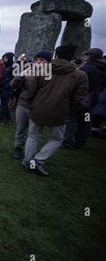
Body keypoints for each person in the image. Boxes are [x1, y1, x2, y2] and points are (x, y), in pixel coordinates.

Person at [23, 43, 88, 176]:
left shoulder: (43, 69)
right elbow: (78, 98)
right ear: (72, 57)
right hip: (60, 111)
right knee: (57, 139)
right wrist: (70, 110)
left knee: (33, 135)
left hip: (38, 108)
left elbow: (32, 90)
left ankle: (28, 160)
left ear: (56, 55)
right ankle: (39, 160)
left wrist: (32, 104)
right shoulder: (80, 75)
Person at [11, 50, 53, 160]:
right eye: (37, 60)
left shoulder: (50, 75)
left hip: (37, 107)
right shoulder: (27, 71)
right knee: (20, 129)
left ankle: (29, 153)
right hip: (23, 104)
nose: (38, 62)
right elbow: (13, 85)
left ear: (48, 62)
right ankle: (18, 148)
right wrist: (20, 75)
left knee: (33, 133)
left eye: (42, 60)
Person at [62, 48, 106, 149]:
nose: (83, 57)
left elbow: (76, 82)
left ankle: (67, 142)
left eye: (85, 55)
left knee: (72, 119)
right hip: (94, 98)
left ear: (90, 56)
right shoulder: (103, 68)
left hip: (81, 97)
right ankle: (80, 142)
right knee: (86, 120)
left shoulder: (87, 68)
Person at [0, 52, 15, 124]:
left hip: (8, 88)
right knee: (4, 103)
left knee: (3, 104)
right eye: (4, 58)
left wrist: (9, 85)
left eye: (6, 58)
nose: (4, 59)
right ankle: (8, 118)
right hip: (3, 86)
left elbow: (14, 78)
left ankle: (1, 119)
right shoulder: (5, 66)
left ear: (9, 58)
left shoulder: (13, 67)